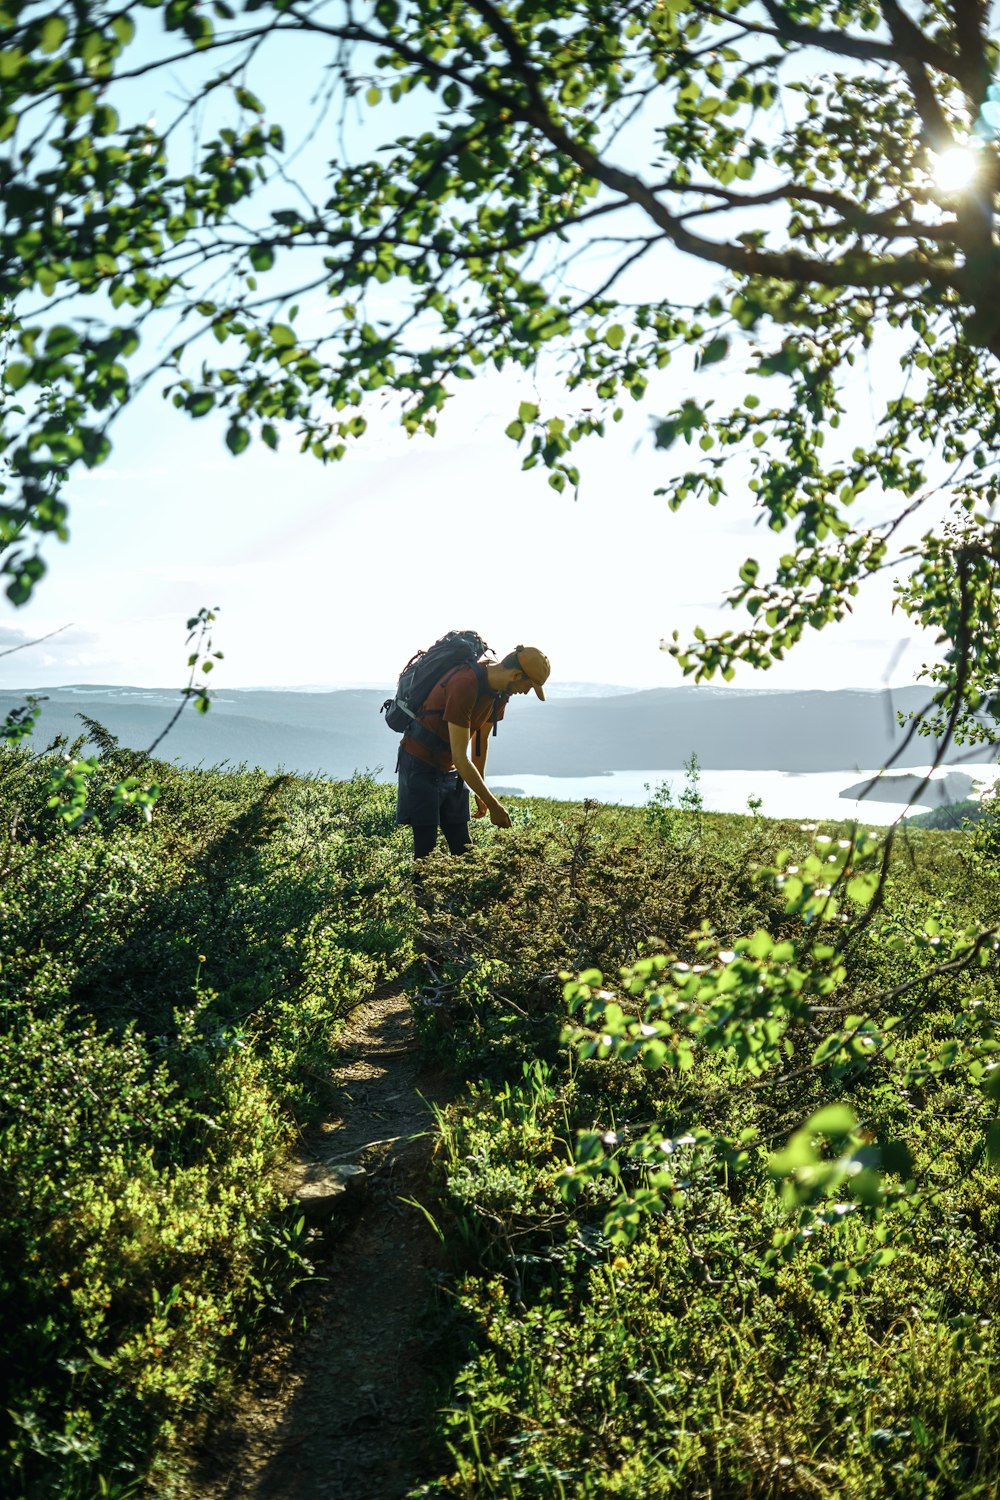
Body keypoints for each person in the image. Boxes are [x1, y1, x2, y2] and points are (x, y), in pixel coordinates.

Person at [396, 645, 550, 859]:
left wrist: (481, 791)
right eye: (528, 686)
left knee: (464, 849)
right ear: (515, 674)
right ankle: (421, 892)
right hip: (419, 763)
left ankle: (463, 893)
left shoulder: (500, 693)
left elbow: (480, 742)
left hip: (450, 768)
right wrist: (493, 804)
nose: (525, 692)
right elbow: (461, 757)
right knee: (426, 853)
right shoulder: (464, 684)